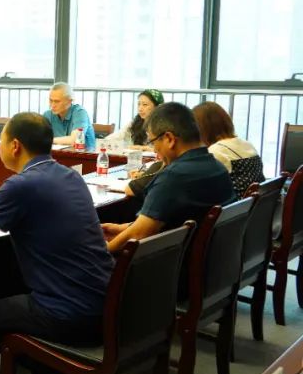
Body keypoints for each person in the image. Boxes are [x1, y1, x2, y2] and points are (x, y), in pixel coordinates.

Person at [0, 112, 114, 374]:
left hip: (70, 314)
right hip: (107, 304)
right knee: (5, 286)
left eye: (1, 141)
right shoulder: (69, 175)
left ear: (14, 146)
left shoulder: (21, 185)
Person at [102, 102, 234, 253]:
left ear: (169, 139)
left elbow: (140, 233)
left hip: (172, 262)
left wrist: (104, 250)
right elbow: (159, 221)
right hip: (215, 257)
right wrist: (122, 228)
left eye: (153, 142)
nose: (155, 150)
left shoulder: (174, 177)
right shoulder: (218, 167)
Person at [193, 101, 264, 197]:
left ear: (201, 128)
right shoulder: (247, 144)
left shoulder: (215, 152)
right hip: (250, 204)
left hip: (232, 205)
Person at [43, 82, 96, 150]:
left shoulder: (80, 112)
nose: (52, 105)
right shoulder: (48, 114)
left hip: (84, 155)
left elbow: (75, 139)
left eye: (57, 101)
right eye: (51, 100)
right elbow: (40, 138)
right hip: (58, 154)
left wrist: (49, 140)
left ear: (69, 101)